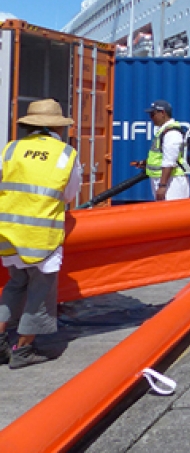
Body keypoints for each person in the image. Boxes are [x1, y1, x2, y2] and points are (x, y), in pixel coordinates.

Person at [0, 99, 82, 369]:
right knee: (40, 291)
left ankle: (0, 342)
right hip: (42, 237)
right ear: (57, 126)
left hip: (8, 232)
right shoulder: (65, 154)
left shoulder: (11, 148)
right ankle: (23, 349)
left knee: (15, 285)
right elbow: (69, 195)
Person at [140, 99, 190, 201]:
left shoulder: (172, 133)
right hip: (165, 181)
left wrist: (162, 186)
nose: (151, 118)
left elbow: (169, 161)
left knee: (173, 214)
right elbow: (161, 156)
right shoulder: (164, 131)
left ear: (163, 113)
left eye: (153, 114)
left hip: (172, 183)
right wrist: (147, 163)